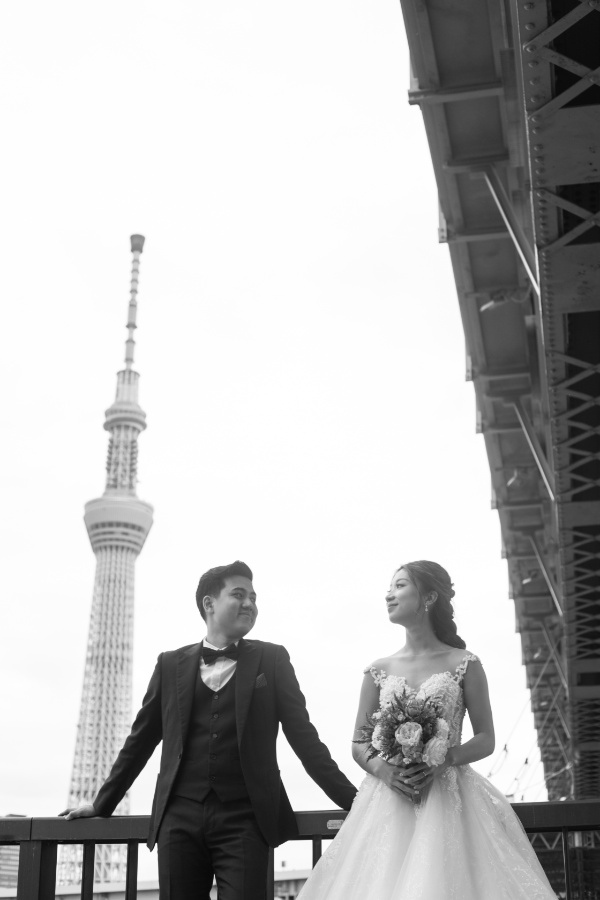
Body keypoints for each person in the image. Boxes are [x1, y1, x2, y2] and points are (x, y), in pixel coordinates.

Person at [61, 560, 357, 900]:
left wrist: (355, 799)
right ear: (209, 603)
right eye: (239, 594)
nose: (250, 603)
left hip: (246, 819)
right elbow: (140, 741)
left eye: (254, 597)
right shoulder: (169, 664)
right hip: (178, 819)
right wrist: (102, 804)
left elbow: (305, 740)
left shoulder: (272, 660)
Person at [296, 560, 557, 900]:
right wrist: (384, 771)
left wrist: (445, 758)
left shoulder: (465, 663)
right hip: (389, 798)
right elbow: (360, 741)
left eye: (400, 585)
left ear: (429, 597)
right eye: (390, 587)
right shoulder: (377, 670)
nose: (389, 594)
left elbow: (486, 738)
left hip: (449, 795)